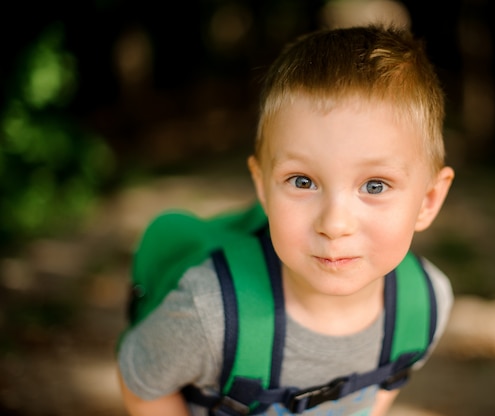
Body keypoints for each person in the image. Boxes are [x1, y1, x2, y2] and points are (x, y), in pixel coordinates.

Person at [117, 23, 455, 416]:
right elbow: (140, 377)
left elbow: (385, 384)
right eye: (302, 181)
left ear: (428, 200)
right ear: (262, 187)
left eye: (375, 186)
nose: (335, 223)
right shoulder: (209, 312)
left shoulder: (423, 305)